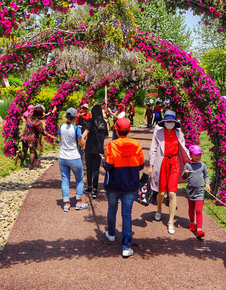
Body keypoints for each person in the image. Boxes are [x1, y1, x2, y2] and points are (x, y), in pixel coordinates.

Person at [103, 118, 145, 257]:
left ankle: (111, 233)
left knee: (112, 209)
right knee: (127, 215)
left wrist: (103, 162)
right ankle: (126, 247)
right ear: (129, 130)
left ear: (116, 129)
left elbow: (108, 165)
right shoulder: (136, 144)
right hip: (130, 184)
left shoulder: (111, 146)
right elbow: (140, 165)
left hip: (114, 184)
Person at [148, 110, 191, 234]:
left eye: (172, 121)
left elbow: (183, 148)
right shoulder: (159, 132)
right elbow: (153, 149)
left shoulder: (179, 133)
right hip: (162, 163)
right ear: (164, 122)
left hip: (175, 163)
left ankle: (170, 222)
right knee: (161, 191)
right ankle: (159, 208)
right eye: (167, 121)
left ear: (175, 122)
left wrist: (190, 163)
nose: (169, 123)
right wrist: (151, 166)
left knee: (172, 192)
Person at [58, 108, 88, 212]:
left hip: (62, 156)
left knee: (65, 180)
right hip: (74, 157)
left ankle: (66, 204)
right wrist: (84, 135)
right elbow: (82, 144)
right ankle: (79, 202)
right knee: (79, 179)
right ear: (76, 117)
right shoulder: (76, 129)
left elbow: (60, 139)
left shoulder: (61, 127)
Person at [181, 144, 210, 239]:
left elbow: (206, 175)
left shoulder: (202, 165)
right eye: (196, 155)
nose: (198, 156)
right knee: (191, 208)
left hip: (200, 191)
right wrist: (185, 173)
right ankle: (192, 223)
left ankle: (199, 229)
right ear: (191, 155)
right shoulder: (188, 165)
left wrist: (207, 184)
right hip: (190, 191)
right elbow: (183, 177)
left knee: (198, 210)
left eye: (199, 155)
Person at [82, 103, 108, 198]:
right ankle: (95, 189)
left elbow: (86, 132)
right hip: (99, 148)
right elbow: (106, 136)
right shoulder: (104, 122)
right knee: (96, 169)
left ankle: (89, 187)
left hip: (89, 147)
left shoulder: (91, 121)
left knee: (89, 167)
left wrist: (82, 140)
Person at [20, 105, 55, 169]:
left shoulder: (30, 114)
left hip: (25, 135)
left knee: (24, 150)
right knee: (32, 152)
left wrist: (51, 112)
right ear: (39, 115)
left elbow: (40, 114)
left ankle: (21, 163)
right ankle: (31, 166)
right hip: (32, 138)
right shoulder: (38, 123)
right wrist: (51, 137)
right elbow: (43, 132)